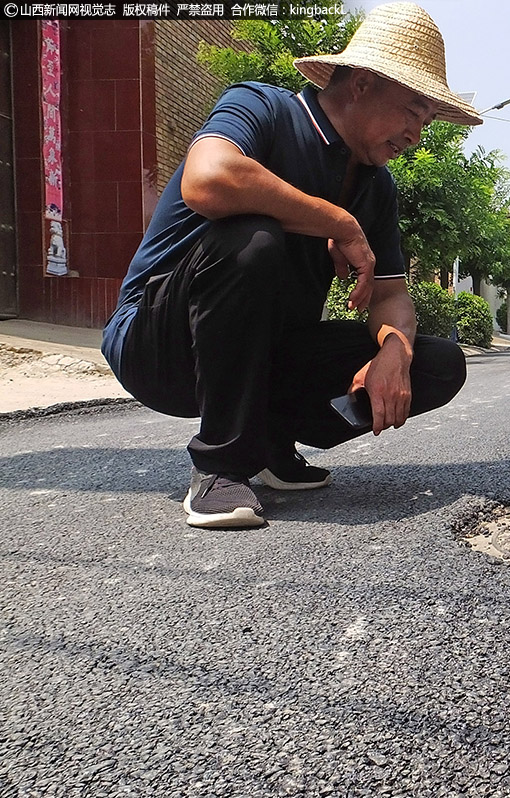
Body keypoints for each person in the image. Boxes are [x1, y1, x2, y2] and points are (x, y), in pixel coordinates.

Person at [101, 3, 481, 529]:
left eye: (428, 119)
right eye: (413, 111)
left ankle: (268, 439)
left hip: (265, 354)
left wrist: (395, 348)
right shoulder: (262, 107)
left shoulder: (378, 186)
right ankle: (222, 464)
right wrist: (339, 222)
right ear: (363, 83)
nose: (419, 133)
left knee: (437, 364)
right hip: (160, 344)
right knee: (251, 239)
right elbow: (207, 178)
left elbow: (392, 294)